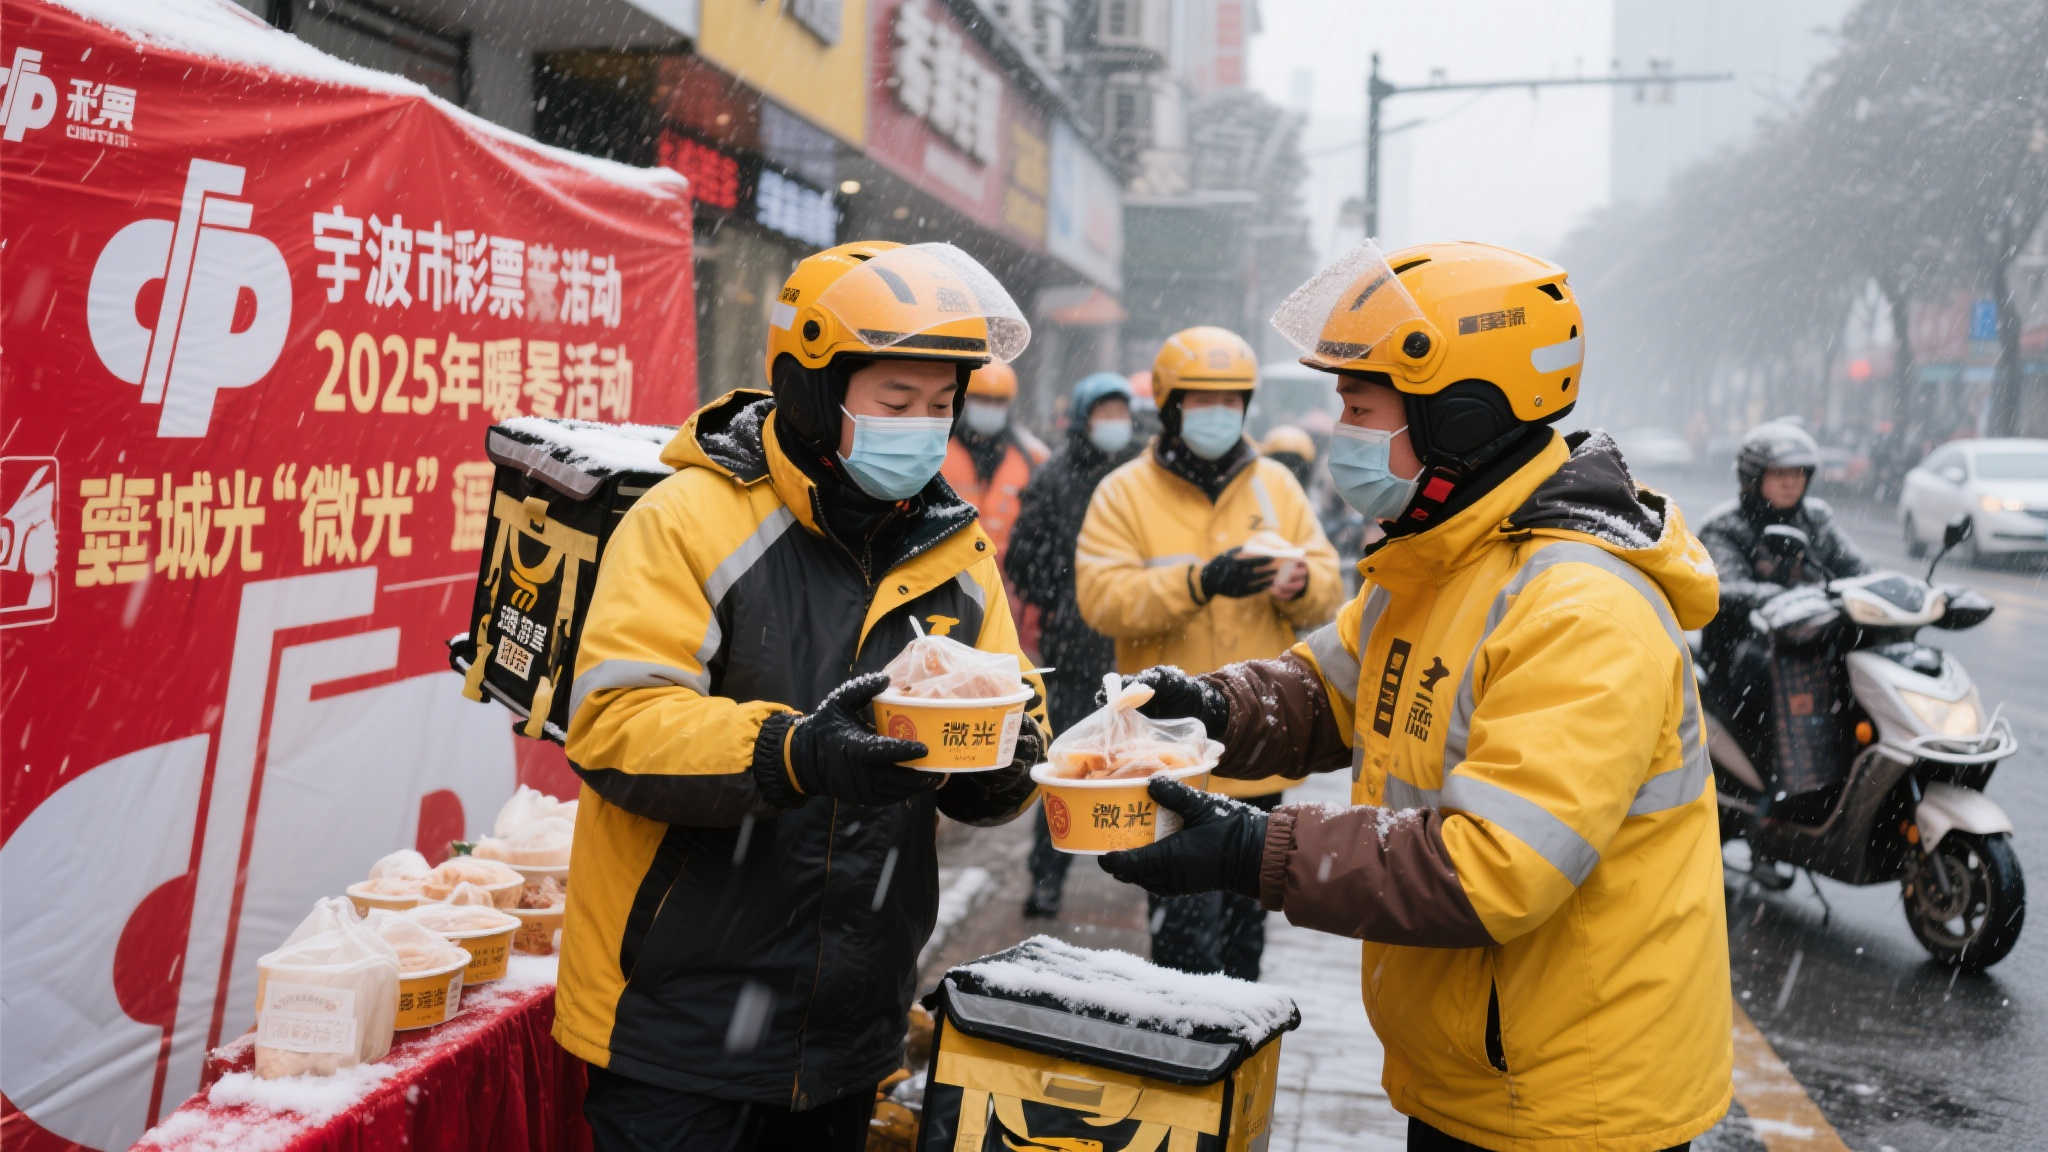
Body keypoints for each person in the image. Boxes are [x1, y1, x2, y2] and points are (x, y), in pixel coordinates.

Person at [1097, 242, 1732, 1151]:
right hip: (1474, 1075)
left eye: (1361, 408)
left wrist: (1249, 849)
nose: (1341, 431)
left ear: (1460, 416)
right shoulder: (1440, 558)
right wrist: (1211, 709)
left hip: (1572, 1105)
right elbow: (1329, 688)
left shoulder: (1579, 607)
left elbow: (1491, 869)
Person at [557, 240, 1045, 1152]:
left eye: (942, 406)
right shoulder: (690, 519)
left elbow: (1015, 708)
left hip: (850, 1024)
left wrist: (1005, 764)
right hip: (680, 1020)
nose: (924, 429)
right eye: (896, 402)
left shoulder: (955, 547)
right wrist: (796, 751)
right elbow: (617, 723)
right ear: (812, 393)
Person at [1074, 325, 1341, 981]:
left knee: (1245, 936)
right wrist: (1198, 582)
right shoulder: (1124, 493)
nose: (1219, 414)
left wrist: (1302, 584)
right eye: (1202, 400)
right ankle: (1181, 1059)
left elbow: (1331, 587)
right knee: (1184, 939)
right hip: (1162, 747)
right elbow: (1101, 599)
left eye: (1232, 401)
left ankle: (1232, 1063)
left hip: (1256, 750)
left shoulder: (1276, 487)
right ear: (1168, 405)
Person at [1003, 371, 1143, 918]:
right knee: (1068, 761)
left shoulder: (1140, 474)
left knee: (1140, 760)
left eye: (1120, 412)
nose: (1113, 423)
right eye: (1103, 412)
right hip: (1075, 644)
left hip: (1136, 641)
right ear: (1084, 416)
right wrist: (1065, 590)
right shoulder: (1054, 476)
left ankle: (1143, 866)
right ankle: (1048, 876)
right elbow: (1024, 556)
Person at [1696, 421, 1870, 836]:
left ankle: (1840, 778)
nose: (1792, 483)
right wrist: (1772, 597)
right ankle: (1779, 799)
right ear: (1754, 478)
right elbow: (1724, 587)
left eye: (1798, 474)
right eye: (1780, 475)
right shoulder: (1726, 526)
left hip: (1812, 640)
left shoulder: (1816, 520)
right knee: (1771, 675)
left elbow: (1857, 570)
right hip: (1741, 649)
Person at [942, 359, 1049, 563]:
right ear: (964, 400)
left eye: (998, 401)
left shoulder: (1033, 456)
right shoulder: (939, 450)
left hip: (1007, 576)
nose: (990, 408)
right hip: (948, 569)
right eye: (982, 399)